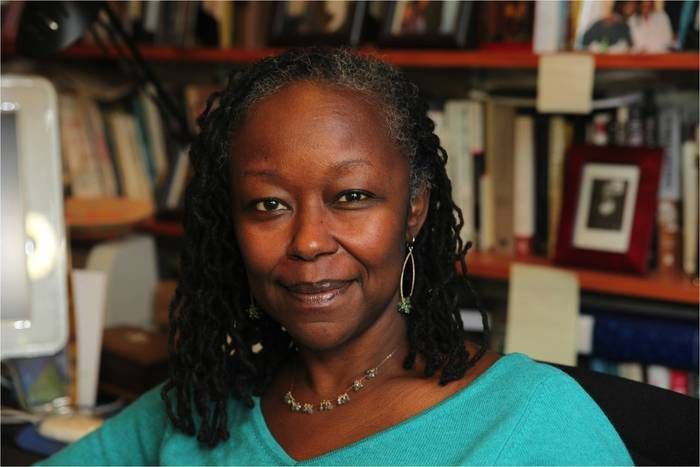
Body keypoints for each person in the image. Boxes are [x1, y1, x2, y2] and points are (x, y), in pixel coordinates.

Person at [38, 48, 633, 465]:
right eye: (269, 205)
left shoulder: (530, 422)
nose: (308, 241)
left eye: (351, 197)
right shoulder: (203, 406)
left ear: (414, 210)